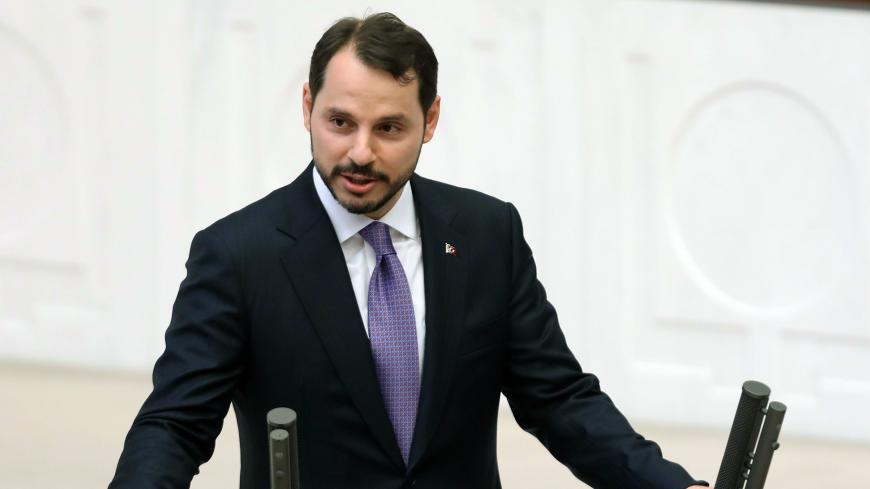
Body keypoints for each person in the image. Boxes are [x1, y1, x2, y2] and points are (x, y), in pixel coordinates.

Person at [110, 12, 708, 489]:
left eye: (389, 128)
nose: (360, 153)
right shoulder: (238, 256)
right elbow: (176, 424)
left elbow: (557, 398)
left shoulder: (486, 233)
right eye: (340, 122)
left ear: (431, 120)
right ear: (306, 108)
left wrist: (668, 486)